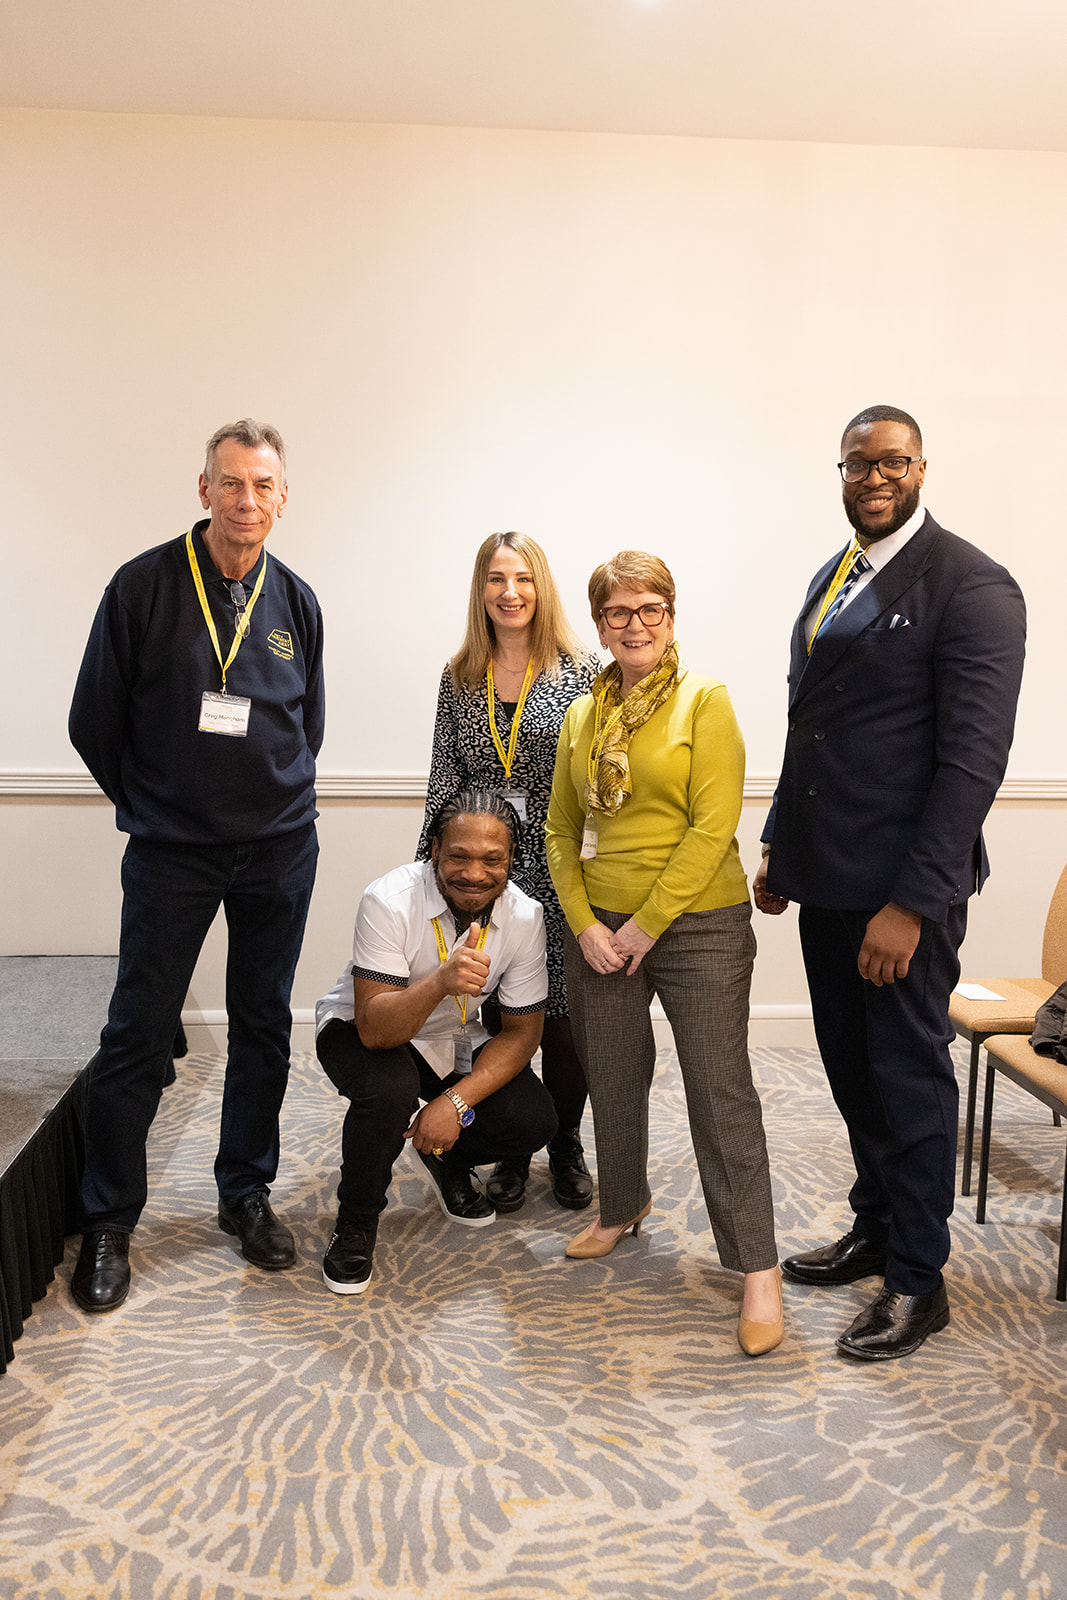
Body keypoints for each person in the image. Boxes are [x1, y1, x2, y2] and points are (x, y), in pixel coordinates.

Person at [754, 404, 1026, 1361]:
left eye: (891, 462)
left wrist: (910, 904)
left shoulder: (972, 585)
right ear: (839, 472)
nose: (873, 478)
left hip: (899, 894)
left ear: (920, 467)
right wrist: (781, 846)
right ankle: (875, 1225)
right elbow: (810, 724)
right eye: (856, 464)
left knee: (907, 1079)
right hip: (826, 876)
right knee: (849, 1068)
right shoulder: (835, 575)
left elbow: (971, 765)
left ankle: (917, 1277)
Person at [68, 419, 324, 1312]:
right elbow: (92, 721)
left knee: (263, 1026)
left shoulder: (297, 601)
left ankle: (243, 1192)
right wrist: (154, 807)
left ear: (283, 499)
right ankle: (109, 1220)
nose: (246, 500)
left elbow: (306, 728)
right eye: (231, 482)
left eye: (263, 485)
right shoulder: (141, 587)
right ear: (204, 489)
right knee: (137, 1033)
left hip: (278, 850)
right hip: (173, 853)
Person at [546, 552, 783, 1357]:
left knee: (719, 1092)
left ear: (670, 617)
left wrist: (643, 927)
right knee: (612, 1077)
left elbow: (712, 828)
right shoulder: (582, 716)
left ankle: (756, 1266)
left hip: (697, 923)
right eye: (617, 612)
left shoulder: (703, 701)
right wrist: (584, 923)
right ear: (599, 624)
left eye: (649, 608)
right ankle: (621, 1206)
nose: (634, 624)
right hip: (599, 926)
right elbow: (558, 831)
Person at [315, 790, 557, 1294]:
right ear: (434, 851)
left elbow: (523, 1032)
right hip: (363, 1027)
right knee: (390, 1091)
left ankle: (446, 1157)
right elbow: (375, 1028)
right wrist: (442, 981)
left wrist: (454, 1103)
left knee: (532, 1119)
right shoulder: (388, 899)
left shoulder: (525, 916)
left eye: (492, 859)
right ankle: (356, 1221)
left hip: (454, 1036)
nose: (475, 874)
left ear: (511, 859)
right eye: (459, 856)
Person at [419, 533, 598, 1213]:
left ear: (540, 586)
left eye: (522, 578)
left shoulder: (582, 671)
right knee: (499, 1013)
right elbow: (444, 777)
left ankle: (566, 1141)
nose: (510, 592)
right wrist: (429, 878)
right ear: (481, 590)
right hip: (482, 872)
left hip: (562, 869)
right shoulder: (460, 674)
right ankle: (518, 1144)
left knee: (565, 1022)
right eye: (496, 579)